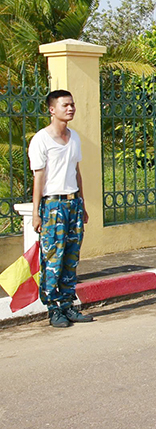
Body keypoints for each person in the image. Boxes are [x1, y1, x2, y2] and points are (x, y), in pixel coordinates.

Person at [29, 90, 93, 328]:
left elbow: (76, 171)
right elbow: (39, 178)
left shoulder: (74, 137)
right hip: (53, 205)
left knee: (71, 257)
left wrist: (82, 203)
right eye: (65, 105)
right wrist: (37, 213)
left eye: (73, 104)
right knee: (53, 258)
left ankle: (68, 304)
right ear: (52, 109)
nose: (71, 108)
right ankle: (53, 308)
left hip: (73, 203)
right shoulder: (41, 140)